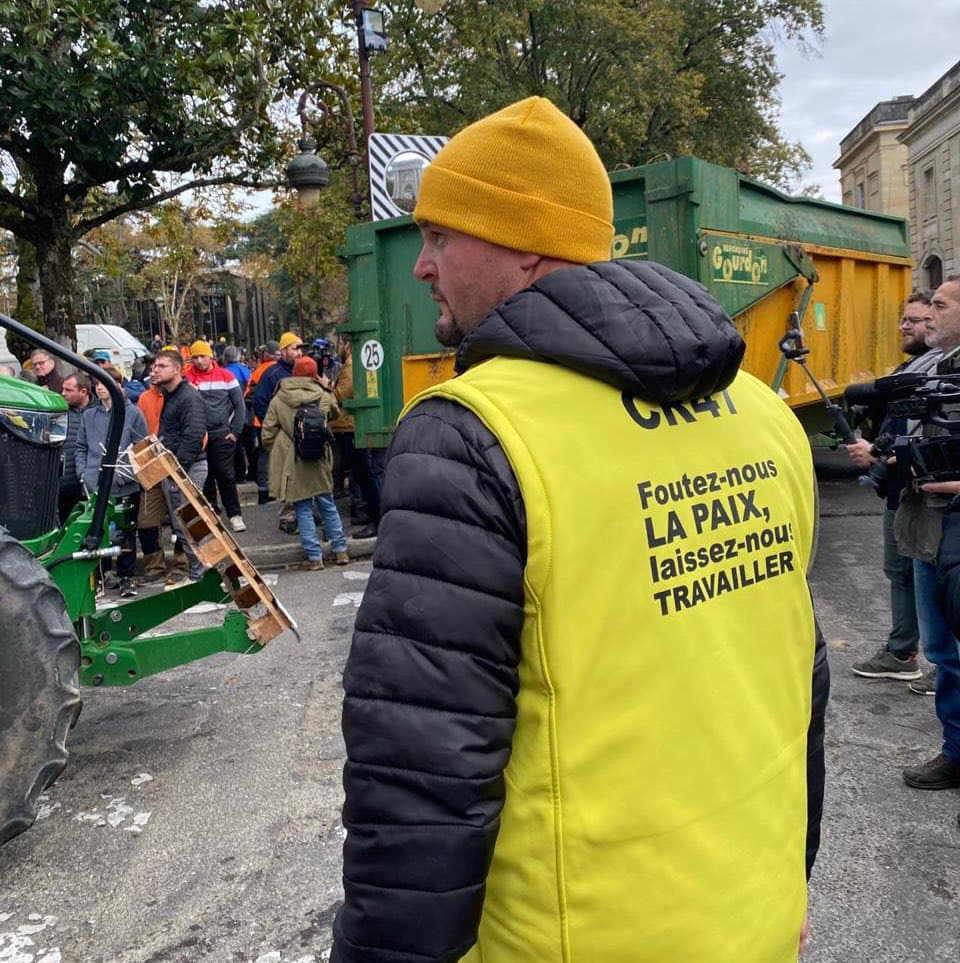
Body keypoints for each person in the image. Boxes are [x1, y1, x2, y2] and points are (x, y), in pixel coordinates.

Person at [332, 97, 828, 962]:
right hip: (751, 917)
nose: (421, 266)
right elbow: (800, 680)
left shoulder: (472, 433)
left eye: (441, 235)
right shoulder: (761, 412)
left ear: (524, 242)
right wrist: (795, 876)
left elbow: (421, 773)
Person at [846, 292, 940, 687]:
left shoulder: (939, 371)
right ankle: (903, 651)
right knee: (901, 573)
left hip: (927, 494)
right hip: (901, 494)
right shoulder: (912, 367)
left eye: (917, 319)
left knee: (936, 577)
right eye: (906, 319)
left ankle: (935, 660)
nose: (908, 325)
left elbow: (932, 439)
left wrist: (881, 458)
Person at [895, 275, 960, 791]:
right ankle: (956, 751)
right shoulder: (934, 368)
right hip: (925, 531)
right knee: (942, 653)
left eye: (939, 305)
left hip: (954, 529)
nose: (925, 316)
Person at [261, 355, 348, 569]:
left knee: (302, 508)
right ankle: (341, 551)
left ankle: (315, 557)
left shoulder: (280, 397)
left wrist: (281, 447)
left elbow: (267, 432)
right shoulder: (323, 395)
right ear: (314, 374)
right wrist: (326, 388)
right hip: (319, 456)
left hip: (294, 460)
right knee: (327, 504)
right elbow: (335, 414)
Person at [75, 365, 147, 598]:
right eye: (97, 384)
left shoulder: (133, 413)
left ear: (118, 386)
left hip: (125, 482)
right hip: (96, 482)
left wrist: (129, 473)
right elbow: (81, 447)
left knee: (127, 530)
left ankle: (127, 577)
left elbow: (141, 446)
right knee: (98, 529)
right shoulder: (89, 416)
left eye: (105, 384)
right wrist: (83, 473)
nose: (99, 388)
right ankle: (101, 577)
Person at [151, 349, 208, 588]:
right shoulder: (171, 395)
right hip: (174, 467)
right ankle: (199, 573)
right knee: (181, 525)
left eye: (161, 366)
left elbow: (194, 435)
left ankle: (201, 574)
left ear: (177, 369)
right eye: (154, 366)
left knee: (189, 524)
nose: (155, 370)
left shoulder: (188, 397)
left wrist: (178, 471)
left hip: (187, 468)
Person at [184, 339, 247, 532]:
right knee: (205, 476)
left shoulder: (226, 376)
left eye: (202, 356)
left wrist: (235, 432)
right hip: (198, 435)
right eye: (195, 357)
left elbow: (239, 405)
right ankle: (211, 513)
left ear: (210, 356)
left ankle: (235, 514)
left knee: (225, 474)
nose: (199, 361)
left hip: (222, 433)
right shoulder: (186, 378)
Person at [329, 339, 381, 537]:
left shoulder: (350, 366)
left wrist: (328, 388)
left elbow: (343, 393)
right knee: (363, 474)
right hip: (350, 426)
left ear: (347, 345)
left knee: (365, 474)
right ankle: (373, 516)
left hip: (350, 426)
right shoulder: (354, 363)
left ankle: (375, 518)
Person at [246, 340, 280, 503]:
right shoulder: (283, 369)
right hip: (279, 420)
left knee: (264, 453)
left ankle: (264, 490)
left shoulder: (259, 371)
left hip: (261, 421)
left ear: (267, 354)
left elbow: (249, 395)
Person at [59, 372, 93, 524]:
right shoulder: (60, 413)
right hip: (67, 486)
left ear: (83, 392)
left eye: (69, 390)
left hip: (91, 482)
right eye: (63, 389)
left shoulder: (99, 412)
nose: (63, 394)